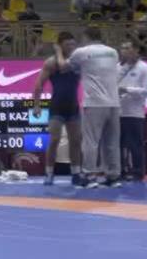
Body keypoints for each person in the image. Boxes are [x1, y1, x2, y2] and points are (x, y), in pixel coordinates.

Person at [65, 25, 122, 188]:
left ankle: (89, 175)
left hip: (94, 103)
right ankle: (113, 176)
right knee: (112, 142)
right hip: (114, 103)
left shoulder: (82, 52)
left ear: (86, 37)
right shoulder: (113, 52)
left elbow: (66, 66)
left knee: (91, 141)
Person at [31, 32, 84, 186]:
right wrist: (36, 105)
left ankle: (76, 173)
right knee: (54, 140)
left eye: (73, 44)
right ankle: (49, 173)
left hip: (73, 106)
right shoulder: (51, 62)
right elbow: (39, 84)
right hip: (57, 107)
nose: (71, 47)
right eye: (68, 45)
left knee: (76, 141)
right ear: (60, 46)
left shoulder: (77, 62)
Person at [117, 40, 147, 182]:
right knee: (118, 144)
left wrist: (127, 90)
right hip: (117, 111)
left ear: (136, 50)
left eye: (127, 48)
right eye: (122, 48)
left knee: (135, 144)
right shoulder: (117, 67)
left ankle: (138, 172)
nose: (124, 51)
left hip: (134, 113)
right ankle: (120, 171)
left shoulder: (144, 68)